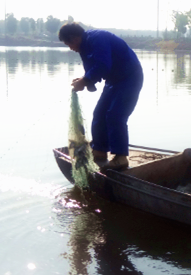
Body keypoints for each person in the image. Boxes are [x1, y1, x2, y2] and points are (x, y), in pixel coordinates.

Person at [59, 22, 144, 170]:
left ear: (75, 38)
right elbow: (91, 68)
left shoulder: (98, 39)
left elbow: (104, 65)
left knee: (115, 115)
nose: (70, 48)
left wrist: (85, 81)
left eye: (69, 44)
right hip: (113, 80)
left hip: (130, 78)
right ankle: (99, 150)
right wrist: (86, 80)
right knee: (99, 114)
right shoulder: (83, 47)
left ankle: (120, 158)